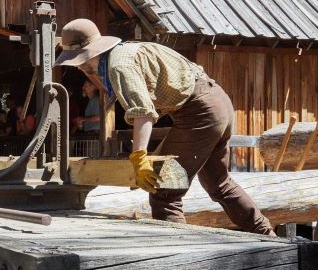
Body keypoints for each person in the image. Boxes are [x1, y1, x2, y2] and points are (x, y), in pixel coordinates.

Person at [55, 18, 273, 235]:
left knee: (164, 189)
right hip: (216, 101)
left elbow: (143, 113)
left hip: (200, 111)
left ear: (93, 51)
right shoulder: (125, 52)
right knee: (219, 184)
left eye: (81, 61)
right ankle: (268, 236)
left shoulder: (119, 66)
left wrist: (139, 157)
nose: (80, 66)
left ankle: (178, 255)